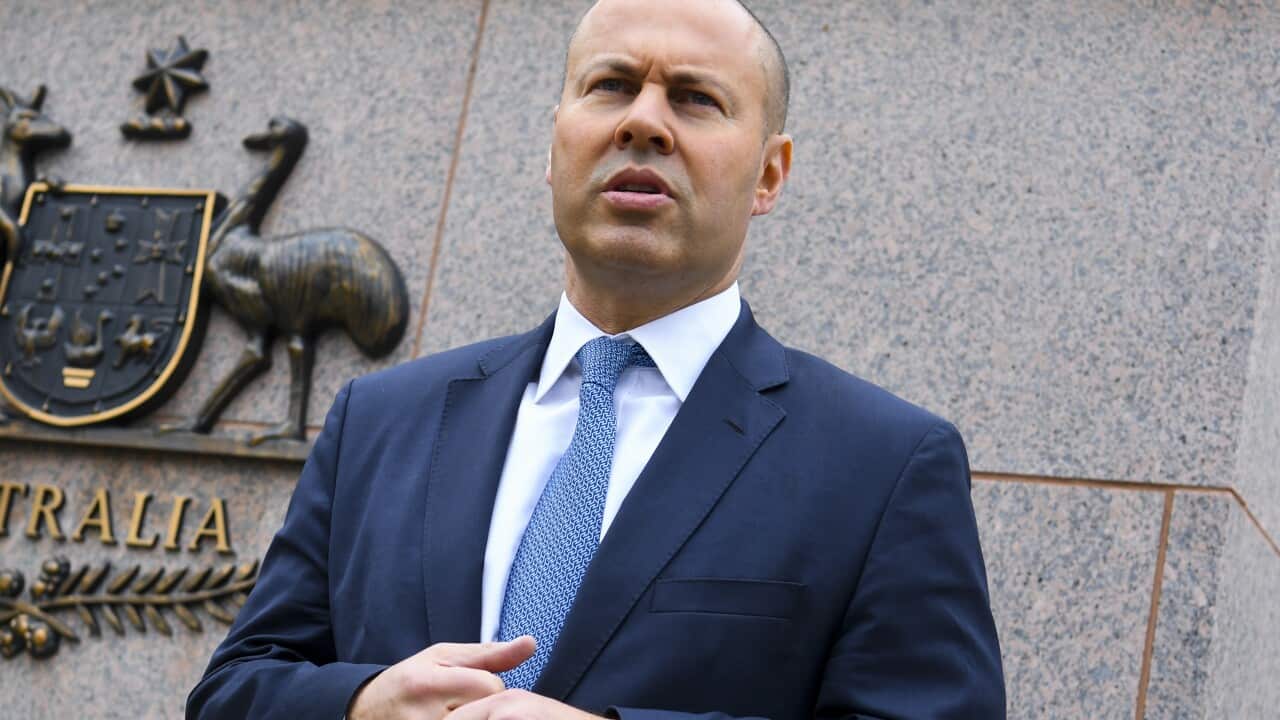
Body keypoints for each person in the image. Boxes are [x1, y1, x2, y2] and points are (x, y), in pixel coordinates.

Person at [187, 0, 1005, 718]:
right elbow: (236, 690)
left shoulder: (884, 465)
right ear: (555, 147)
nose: (643, 122)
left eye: (695, 98)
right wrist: (361, 704)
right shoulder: (381, 420)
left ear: (769, 173)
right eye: (611, 86)